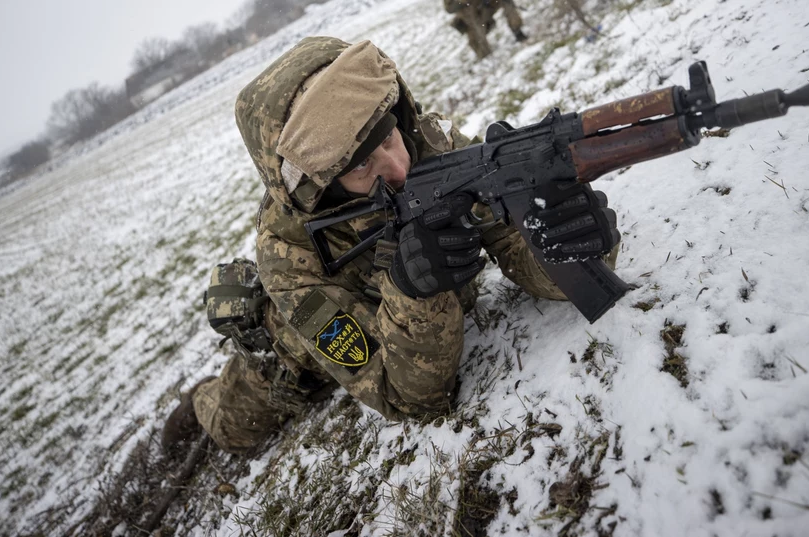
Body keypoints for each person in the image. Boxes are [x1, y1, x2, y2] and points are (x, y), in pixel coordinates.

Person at [161, 36, 619, 455]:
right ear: (320, 186)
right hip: (292, 353)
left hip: (377, 313)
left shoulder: (430, 149)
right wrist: (413, 292)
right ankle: (193, 407)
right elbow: (406, 397)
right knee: (234, 429)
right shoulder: (288, 259)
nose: (398, 170)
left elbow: (511, 241)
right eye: (362, 168)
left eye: (389, 137)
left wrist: (563, 236)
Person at [444, 0, 528, 59]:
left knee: (506, 1)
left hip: (488, 5)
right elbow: (449, 9)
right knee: (482, 51)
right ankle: (485, 54)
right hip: (473, 14)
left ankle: (517, 31)